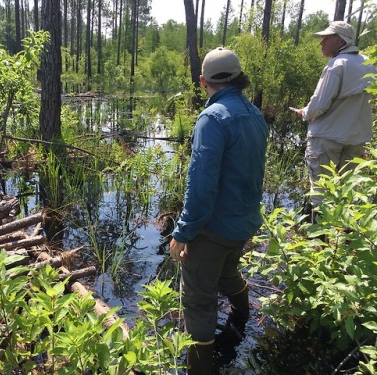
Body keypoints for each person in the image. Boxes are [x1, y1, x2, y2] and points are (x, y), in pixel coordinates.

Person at [169, 47, 268, 375]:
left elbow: (201, 185)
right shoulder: (255, 114)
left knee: (197, 301)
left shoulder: (212, 118)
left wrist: (183, 233)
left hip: (214, 230)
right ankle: (242, 315)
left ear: (202, 81)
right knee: (227, 273)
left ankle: (199, 368)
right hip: (242, 225)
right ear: (239, 78)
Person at [297, 21, 376, 221]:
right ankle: (343, 241)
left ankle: (319, 244)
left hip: (326, 139)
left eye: (326, 38)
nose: (321, 43)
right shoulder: (369, 64)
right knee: (345, 193)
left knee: (321, 195)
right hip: (356, 139)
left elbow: (319, 105)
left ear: (341, 40)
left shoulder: (336, 65)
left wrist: (304, 113)